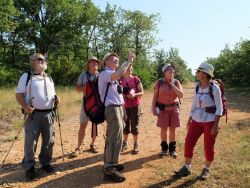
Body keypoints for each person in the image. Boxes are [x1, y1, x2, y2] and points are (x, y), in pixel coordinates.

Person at [174, 63, 223, 180]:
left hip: (210, 121)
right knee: (188, 142)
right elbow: (194, 104)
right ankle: (186, 167)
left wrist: (215, 125)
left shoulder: (214, 88)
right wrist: (190, 119)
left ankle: (207, 169)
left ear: (205, 74)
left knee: (208, 146)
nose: (196, 73)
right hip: (196, 119)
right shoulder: (198, 86)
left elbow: (219, 108)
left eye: (198, 71)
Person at [16, 53, 60, 180]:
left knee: (49, 141)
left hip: (49, 113)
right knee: (31, 142)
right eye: (40, 59)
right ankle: (29, 167)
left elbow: (53, 94)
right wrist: (25, 107)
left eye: (44, 60)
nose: (43, 61)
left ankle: (45, 163)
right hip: (33, 114)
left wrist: (57, 99)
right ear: (33, 62)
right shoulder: (27, 76)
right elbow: (19, 94)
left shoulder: (49, 78)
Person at [98, 52, 136, 182]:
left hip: (119, 108)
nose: (116, 59)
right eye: (112, 58)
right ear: (105, 63)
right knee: (115, 138)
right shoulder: (105, 74)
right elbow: (119, 73)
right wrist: (129, 61)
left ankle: (109, 163)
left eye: (117, 58)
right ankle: (110, 169)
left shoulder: (114, 77)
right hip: (112, 109)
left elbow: (119, 93)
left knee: (114, 137)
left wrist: (124, 107)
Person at [151, 64, 183, 158]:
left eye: (173, 71)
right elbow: (155, 97)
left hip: (174, 109)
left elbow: (181, 95)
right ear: (164, 72)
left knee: (172, 130)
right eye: (170, 71)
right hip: (163, 109)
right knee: (163, 130)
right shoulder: (159, 83)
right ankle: (164, 149)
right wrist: (153, 108)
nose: (172, 73)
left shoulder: (176, 82)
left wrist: (172, 84)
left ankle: (172, 150)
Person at [73, 56, 101, 156]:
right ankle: (78, 147)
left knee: (95, 125)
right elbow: (77, 88)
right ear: (88, 64)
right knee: (83, 125)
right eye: (93, 62)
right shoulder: (83, 75)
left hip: (97, 104)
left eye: (96, 62)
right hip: (86, 103)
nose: (95, 64)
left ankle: (92, 144)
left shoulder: (100, 75)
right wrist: (88, 87)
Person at [120, 65, 144, 154]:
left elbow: (142, 91)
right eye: (127, 68)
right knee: (125, 125)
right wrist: (123, 95)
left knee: (135, 125)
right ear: (124, 70)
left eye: (131, 68)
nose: (129, 70)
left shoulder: (135, 79)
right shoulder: (120, 80)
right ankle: (124, 143)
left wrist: (134, 95)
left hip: (135, 106)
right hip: (124, 106)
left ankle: (135, 143)